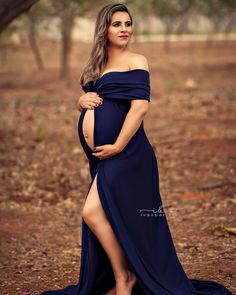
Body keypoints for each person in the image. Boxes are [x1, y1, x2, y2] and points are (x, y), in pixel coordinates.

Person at [40, 3, 233, 295]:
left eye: (127, 23)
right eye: (117, 24)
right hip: (104, 158)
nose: (124, 29)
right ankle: (123, 275)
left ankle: (126, 277)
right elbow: (89, 98)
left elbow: (140, 108)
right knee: (108, 214)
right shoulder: (97, 64)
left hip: (129, 154)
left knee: (97, 213)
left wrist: (118, 144)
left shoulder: (137, 60)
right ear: (104, 28)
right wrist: (80, 102)